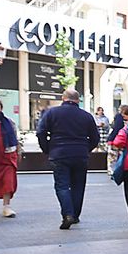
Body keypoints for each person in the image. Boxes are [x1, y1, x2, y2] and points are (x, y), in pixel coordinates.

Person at [36, 88, 101, 230]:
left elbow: (40, 132)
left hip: (59, 153)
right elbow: (95, 138)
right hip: (80, 155)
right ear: (78, 100)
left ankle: (68, 214)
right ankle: (75, 215)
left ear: (63, 98)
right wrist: (86, 149)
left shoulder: (51, 113)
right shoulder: (86, 116)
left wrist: (47, 149)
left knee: (62, 185)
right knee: (78, 185)